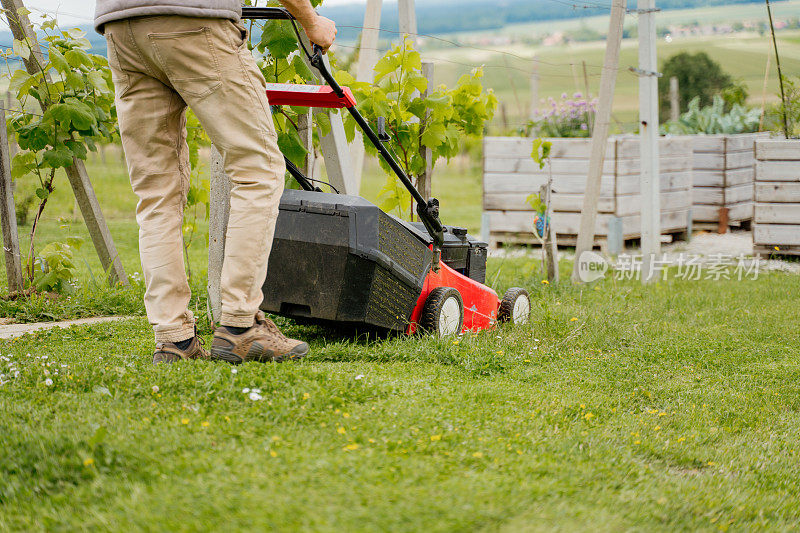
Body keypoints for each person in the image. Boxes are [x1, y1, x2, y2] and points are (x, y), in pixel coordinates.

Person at [94, 1, 336, 364]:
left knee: (156, 191)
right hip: (194, 20)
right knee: (258, 168)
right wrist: (311, 20)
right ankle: (240, 325)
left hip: (122, 27)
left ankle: (173, 338)